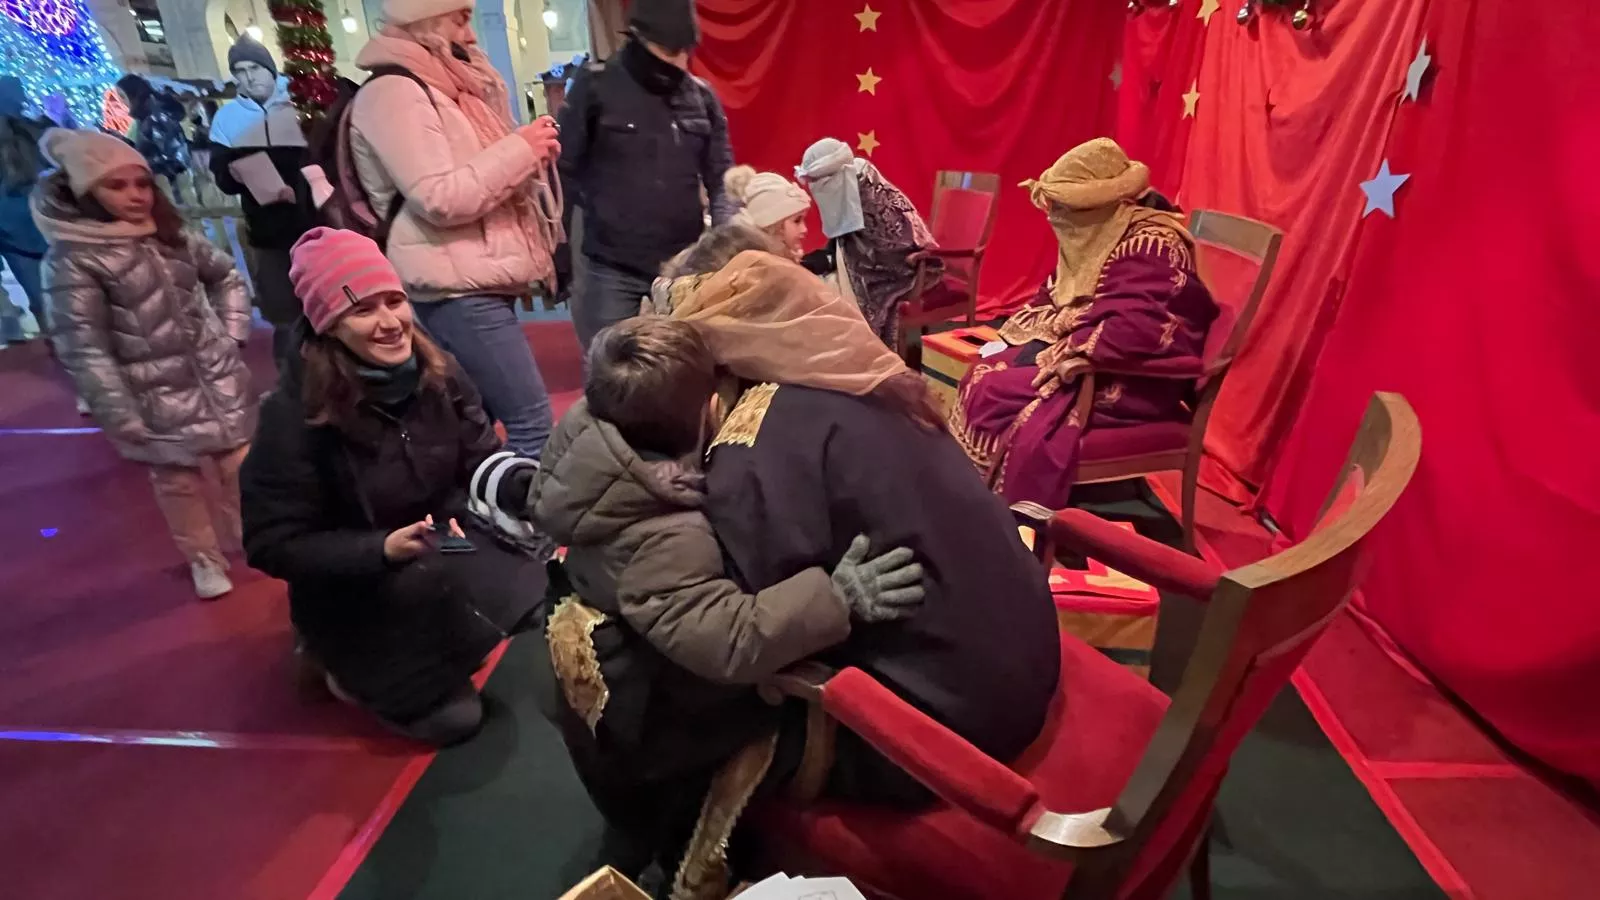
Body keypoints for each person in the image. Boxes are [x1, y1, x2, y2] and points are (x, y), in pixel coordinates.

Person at [522, 315, 926, 873]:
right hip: (641, 701)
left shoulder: (588, 428)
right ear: (712, 408)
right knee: (668, 801)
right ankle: (662, 851)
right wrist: (839, 596)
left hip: (601, 626)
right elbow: (730, 639)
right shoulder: (666, 536)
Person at [240, 227, 547, 746]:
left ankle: (445, 640)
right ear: (328, 324)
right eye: (364, 310)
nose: (390, 322)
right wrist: (379, 548)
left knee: (539, 599)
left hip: (440, 538)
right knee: (453, 722)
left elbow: (480, 456)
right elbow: (271, 542)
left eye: (394, 301)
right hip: (358, 579)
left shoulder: (438, 371)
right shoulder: (292, 417)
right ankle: (331, 662)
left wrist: (525, 486)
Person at [36, 128, 256, 599]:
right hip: (150, 388)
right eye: (116, 185)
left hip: (213, 374)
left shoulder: (173, 237)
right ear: (86, 192)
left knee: (241, 464)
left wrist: (231, 332)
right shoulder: (74, 260)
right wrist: (116, 407)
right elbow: (83, 343)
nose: (135, 195)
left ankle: (253, 536)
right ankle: (203, 558)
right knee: (179, 482)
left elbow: (226, 277)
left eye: (142, 183)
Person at [949, 138, 1218, 510]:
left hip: (1130, 379)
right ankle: (978, 497)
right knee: (981, 372)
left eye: (1066, 208)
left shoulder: (1153, 245)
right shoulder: (1104, 233)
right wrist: (1045, 336)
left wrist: (1065, 346)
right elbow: (1059, 295)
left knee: (994, 390)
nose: (1056, 218)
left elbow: (1137, 330)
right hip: (1087, 357)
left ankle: (1011, 512)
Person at [347, 0, 564, 458]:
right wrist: (521, 150)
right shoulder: (396, 92)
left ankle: (476, 503)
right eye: (461, 19)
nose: (471, 35)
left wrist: (523, 153)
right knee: (531, 425)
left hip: (467, 275)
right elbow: (439, 197)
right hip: (453, 284)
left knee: (472, 425)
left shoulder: (441, 88)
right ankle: (523, 510)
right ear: (425, 20)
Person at [557, 0, 736, 351]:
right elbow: (563, 172)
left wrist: (724, 246)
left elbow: (722, 180)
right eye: (668, 51)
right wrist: (557, 249)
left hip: (683, 265)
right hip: (611, 267)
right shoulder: (595, 86)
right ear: (639, 37)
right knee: (611, 369)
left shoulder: (701, 97)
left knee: (686, 367)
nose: (678, 63)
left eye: (684, 51)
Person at [209, 36, 315, 370]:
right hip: (268, 232)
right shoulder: (226, 120)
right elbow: (223, 178)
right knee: (283, 312)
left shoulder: (301, 105)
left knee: (325, 304)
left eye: (254, 67)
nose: (248, 77)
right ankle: (291, 380)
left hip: (315, 226)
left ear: (270, 69)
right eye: (239, 71)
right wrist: (235, 173)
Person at [794, 137, 939, 347]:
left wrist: (832, 260)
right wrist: (829, 256)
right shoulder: (850, 182)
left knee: (827, 296)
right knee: (814, 283)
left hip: (900, 269)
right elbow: (849, 236)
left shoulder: (873, 198)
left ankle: (855, 355)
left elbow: (896, 247)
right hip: (863, 264)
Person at [0, 77, 50, 346]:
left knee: (40, 299)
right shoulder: (39, 133)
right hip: (48, 228)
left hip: (13, 236)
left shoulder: (35, 135)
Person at [116, 75, 193, 205]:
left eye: (123, 96)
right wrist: (125, 144)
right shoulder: (146, 117)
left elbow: (170, 153)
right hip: (167, 182)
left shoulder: (156, 116)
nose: (121, 101)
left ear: (133, 94)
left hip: (174, 183)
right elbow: (151, 147)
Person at [723, 165, 810, 262]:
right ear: (774, 225)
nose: (804, 229)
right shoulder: (760, 267)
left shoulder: (777, 263)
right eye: (797, 220)